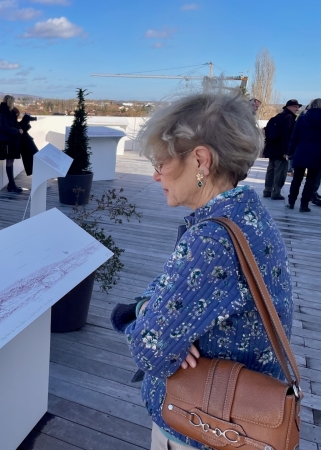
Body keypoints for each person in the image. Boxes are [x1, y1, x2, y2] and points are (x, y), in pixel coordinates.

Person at [113, 93, 292, 449]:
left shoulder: (210, 241)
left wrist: (144, 311)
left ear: (200, 160)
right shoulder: (247, 213)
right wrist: (154, 307)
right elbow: (163, 292)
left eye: (161, 162)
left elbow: (152, 350)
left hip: (200, 427)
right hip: (241, 417)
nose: (154, 175)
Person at [262, 99, 301, 199]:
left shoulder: (278, 116)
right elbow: (286, 136)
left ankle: (267, 190)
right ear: (289, 107)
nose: (297, 109)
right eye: (295, 107)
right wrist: (286, 152)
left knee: (271, 170)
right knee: (280, 172)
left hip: (272, 148)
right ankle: (276, 193)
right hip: (280, 149)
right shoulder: (288, 118)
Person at [287, 98, 321, 212]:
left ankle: (291, 202)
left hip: (301, 151)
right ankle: (304, 205)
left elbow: (294, 136)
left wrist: (290, 152)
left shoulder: (302, 118)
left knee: (297, 179)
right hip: (317, 154)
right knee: (310, 181)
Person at [0, 95, 23, 193]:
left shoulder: (7, 112)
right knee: (9, 161)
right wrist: (17, 131)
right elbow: (4, 128)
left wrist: (18, 128)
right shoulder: (2, 114)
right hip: (7, 141)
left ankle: (11, 184)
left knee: (10, 161)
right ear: (10, 102)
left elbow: (13, 123)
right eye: (13, 102)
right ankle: (11, 184)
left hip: (11, 140)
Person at [13, 107, 39, 176]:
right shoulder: (12, 121)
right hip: (25, 143)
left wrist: (27, 119)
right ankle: (38, 180)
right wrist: (26, 118)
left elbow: (22, 127)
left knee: (34, 160)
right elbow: (21, 127)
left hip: (25, 142)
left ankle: (38, 179)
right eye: (17, 114)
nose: (17, 116)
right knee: (34, 160)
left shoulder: (13, 121)